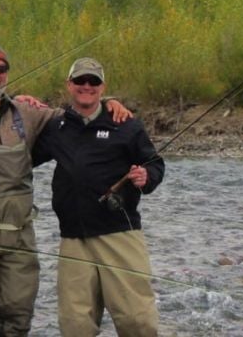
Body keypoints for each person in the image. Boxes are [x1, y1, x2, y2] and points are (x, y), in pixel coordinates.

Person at [0, 38, 131, 336]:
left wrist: (106, 103)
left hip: (20, 237)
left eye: (1, 68)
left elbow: (75, 118)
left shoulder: (27, 113)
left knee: (19, 318)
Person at [32, 57, 164, 337]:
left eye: (93, 81)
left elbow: (155, 164)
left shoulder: (126, 124)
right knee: (75, 324)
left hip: (118, 234)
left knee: (137, 321)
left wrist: (145, 177)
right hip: (73, 238)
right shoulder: (56, 127)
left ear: (103, 87)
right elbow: (24, 158)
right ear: (69, 85)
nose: (86, 86)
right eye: (80, 81)